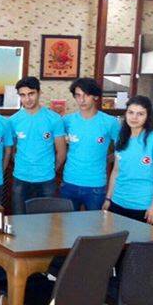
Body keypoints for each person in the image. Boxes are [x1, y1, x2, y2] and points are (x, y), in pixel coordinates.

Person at [104, 96, 153, 225]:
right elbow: (116, 171)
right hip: (117, 203)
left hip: (143, 206)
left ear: (148, 116)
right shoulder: (121, 137)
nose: (134, 117)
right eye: (131, 112)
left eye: (140, 114)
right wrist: (108, 198)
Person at [9, 76, 66, 214]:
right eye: (23, 95)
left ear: (39, 93)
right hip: (20, 178)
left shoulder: (54, 119)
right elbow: (12, 150)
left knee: (45, 222)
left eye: (31, 94)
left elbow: (61, 153)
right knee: (18, 220)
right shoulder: (13, 121)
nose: (27, 99)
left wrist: (49, 169)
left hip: (46, 180)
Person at [61, 78, 120, 210]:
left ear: (96, 96)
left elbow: (122, 150)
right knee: (67, 223)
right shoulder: (67, 120)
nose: (81, 100)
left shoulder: (110, 122)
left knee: (95, 223)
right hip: (69, 182)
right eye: (78, 95)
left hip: (96, 185)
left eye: (86, 95)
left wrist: (107, 159)